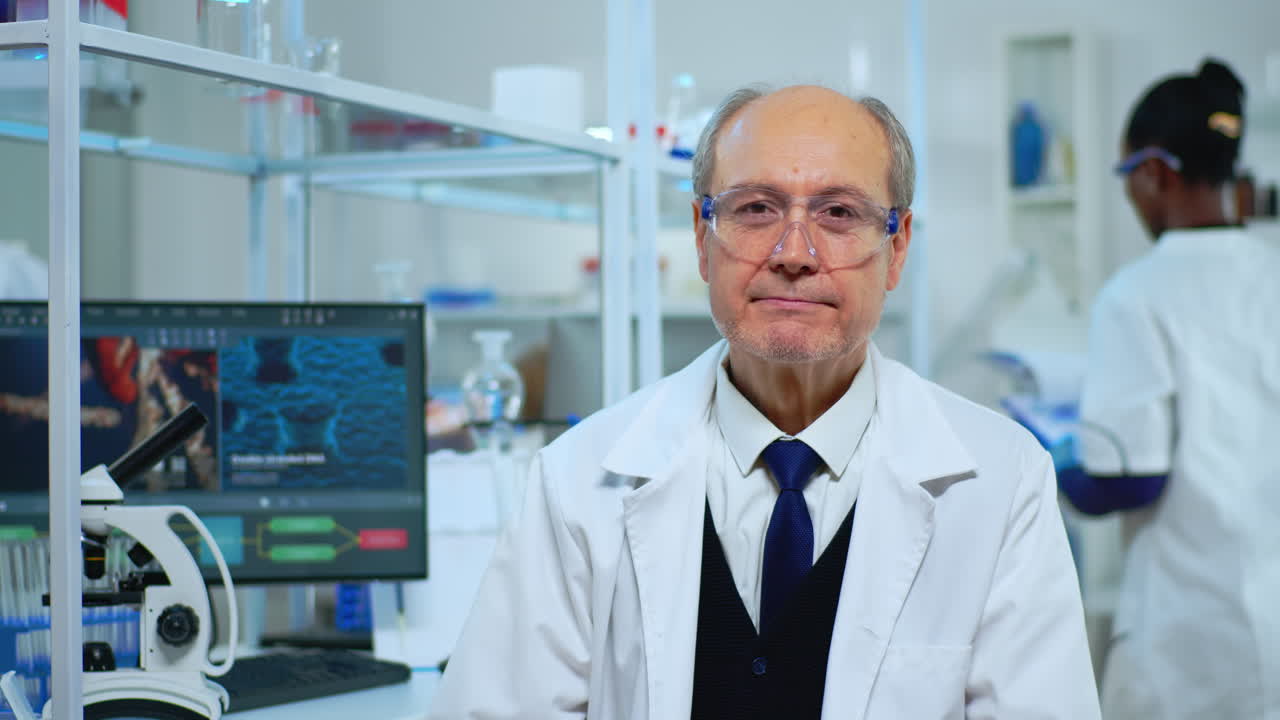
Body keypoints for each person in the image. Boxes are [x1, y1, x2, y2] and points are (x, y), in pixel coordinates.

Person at [428, 84, 1100, 719]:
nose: (794, 253)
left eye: (839, 213)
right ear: (701, 236)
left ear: (896, 248)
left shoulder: (1003, 481)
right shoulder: (578, 478)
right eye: (756, 209)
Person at [1059, 59, 1280, 718]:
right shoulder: (1272, 275)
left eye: (1129, 177)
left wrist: (1048, 458)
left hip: (1191, 645)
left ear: (1154, 172)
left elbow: (1129, 480)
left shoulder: (1137, 294)